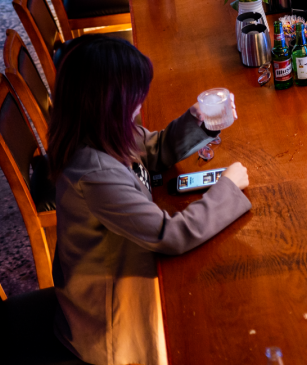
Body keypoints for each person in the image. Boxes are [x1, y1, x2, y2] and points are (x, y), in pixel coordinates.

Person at [48, 35, 252, 365]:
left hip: (121, 273)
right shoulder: (95, 173)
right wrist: (227, 188)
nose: (142, 102)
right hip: (110, 323)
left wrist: (196, 121)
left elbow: (152, 149)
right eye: (136, 96)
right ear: (108, 104)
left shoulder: (99, 130)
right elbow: (169, 234)